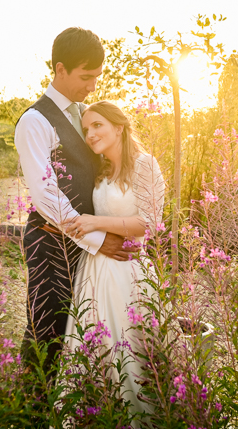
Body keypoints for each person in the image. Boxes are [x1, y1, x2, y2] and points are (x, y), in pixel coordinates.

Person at [14, 27, 132, 375]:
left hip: (88, 243)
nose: (92, 86)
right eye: (85, 76)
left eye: (97, 77)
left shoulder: (86, 116)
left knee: (82, 332)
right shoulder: (34, 121)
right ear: (60, 69)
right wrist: (98, 240)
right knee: (47, 330)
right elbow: (47, 197)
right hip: (51, 240)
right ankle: (33, 410)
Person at [62, 100, 165, 416]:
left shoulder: (146, 165)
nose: (90, 134)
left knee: (133, 352)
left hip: (129, 270)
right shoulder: (100, 170)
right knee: (93, 351)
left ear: (118, 126)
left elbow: (148, 225)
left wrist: (95, 222)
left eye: (97, 125)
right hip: (94, 272)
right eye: (86, 129)